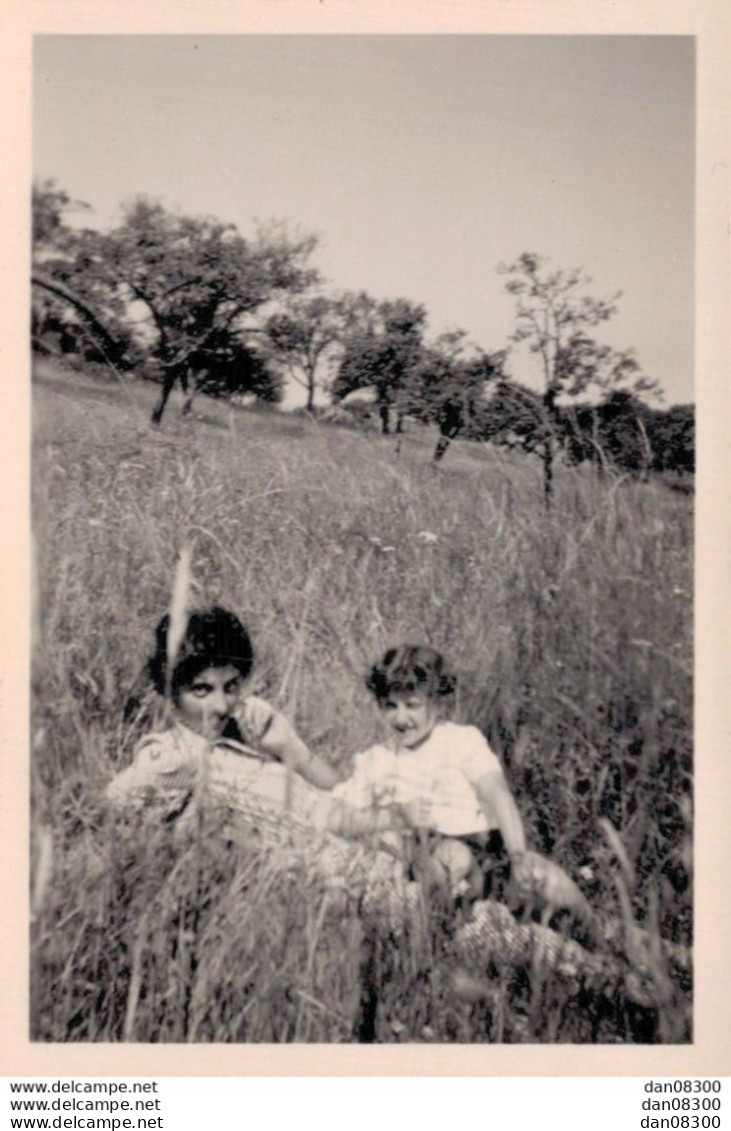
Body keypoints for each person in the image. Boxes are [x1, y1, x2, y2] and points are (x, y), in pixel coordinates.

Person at [328, 644, 590, 923]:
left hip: (490, 849)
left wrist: (517, 855)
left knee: (545, 877)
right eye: (390, 706)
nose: (401, 718)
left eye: (412, 706)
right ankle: (451, 927)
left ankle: (603, 937)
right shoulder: (376, 760)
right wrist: (396, 815)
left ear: (437, 704)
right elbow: (338, 819)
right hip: (433, 851)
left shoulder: (461, 740)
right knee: (454, 858)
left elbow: (498, 794)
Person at [107, 606, 341, 826]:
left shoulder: (253, 725)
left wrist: (292, 751)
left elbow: (347, 796)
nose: (221, 706)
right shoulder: (175, 755)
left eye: (230, 687)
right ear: (171, 694)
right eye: (202, 690)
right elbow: (106, 808)